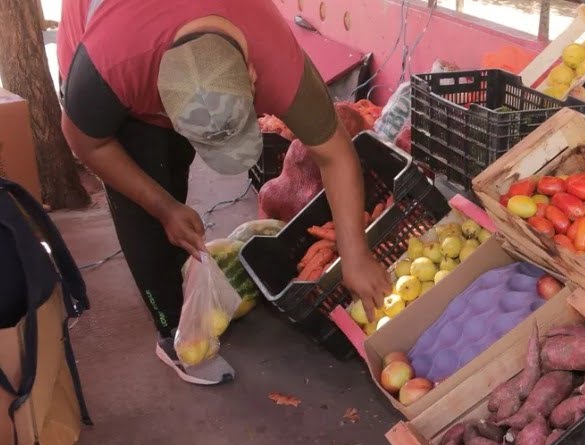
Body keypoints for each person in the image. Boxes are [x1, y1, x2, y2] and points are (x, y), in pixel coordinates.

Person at [56, 0, 391, 385]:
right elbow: (86, 143)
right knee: (144, 201)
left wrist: (355, 255)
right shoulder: (106, 72)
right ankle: (174, 337)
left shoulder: (278, 60)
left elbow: (335, 153)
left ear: (251, 76)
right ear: (160, 97)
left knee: (171, 168)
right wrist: (163, 207)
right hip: (108, 47)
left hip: (146, 44)